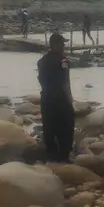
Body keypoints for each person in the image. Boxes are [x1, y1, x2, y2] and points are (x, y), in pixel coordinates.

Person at [37, 33, 75, 163]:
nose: (64, 45)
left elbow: (41, 80)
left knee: (49, 127)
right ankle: (63, 156)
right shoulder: (63, 60)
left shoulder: (42, 61)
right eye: (62, 43)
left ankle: (51, 155)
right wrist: (70, 100)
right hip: (60, 100)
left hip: (46, 98)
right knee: (66, 127)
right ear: (54, 44)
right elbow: (65, 82)